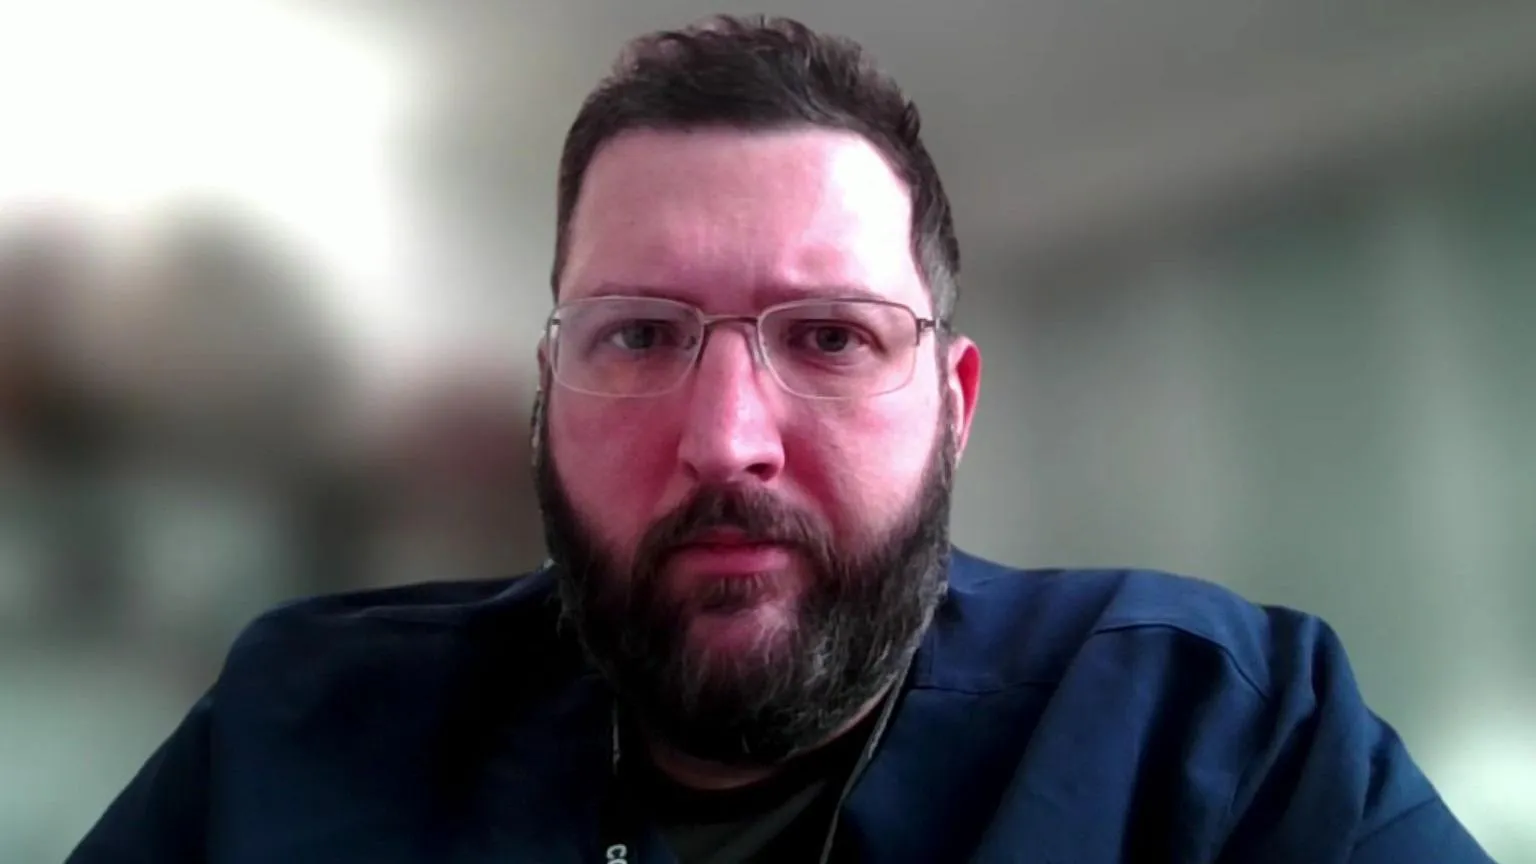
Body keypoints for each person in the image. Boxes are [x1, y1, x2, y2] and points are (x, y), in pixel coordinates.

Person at [68, 15, 1492, 864]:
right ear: (544, 395)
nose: (728, 442)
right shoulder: (287, 736)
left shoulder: (1235, 741)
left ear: (954, 402)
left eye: (829, 337)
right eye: (638, 335)